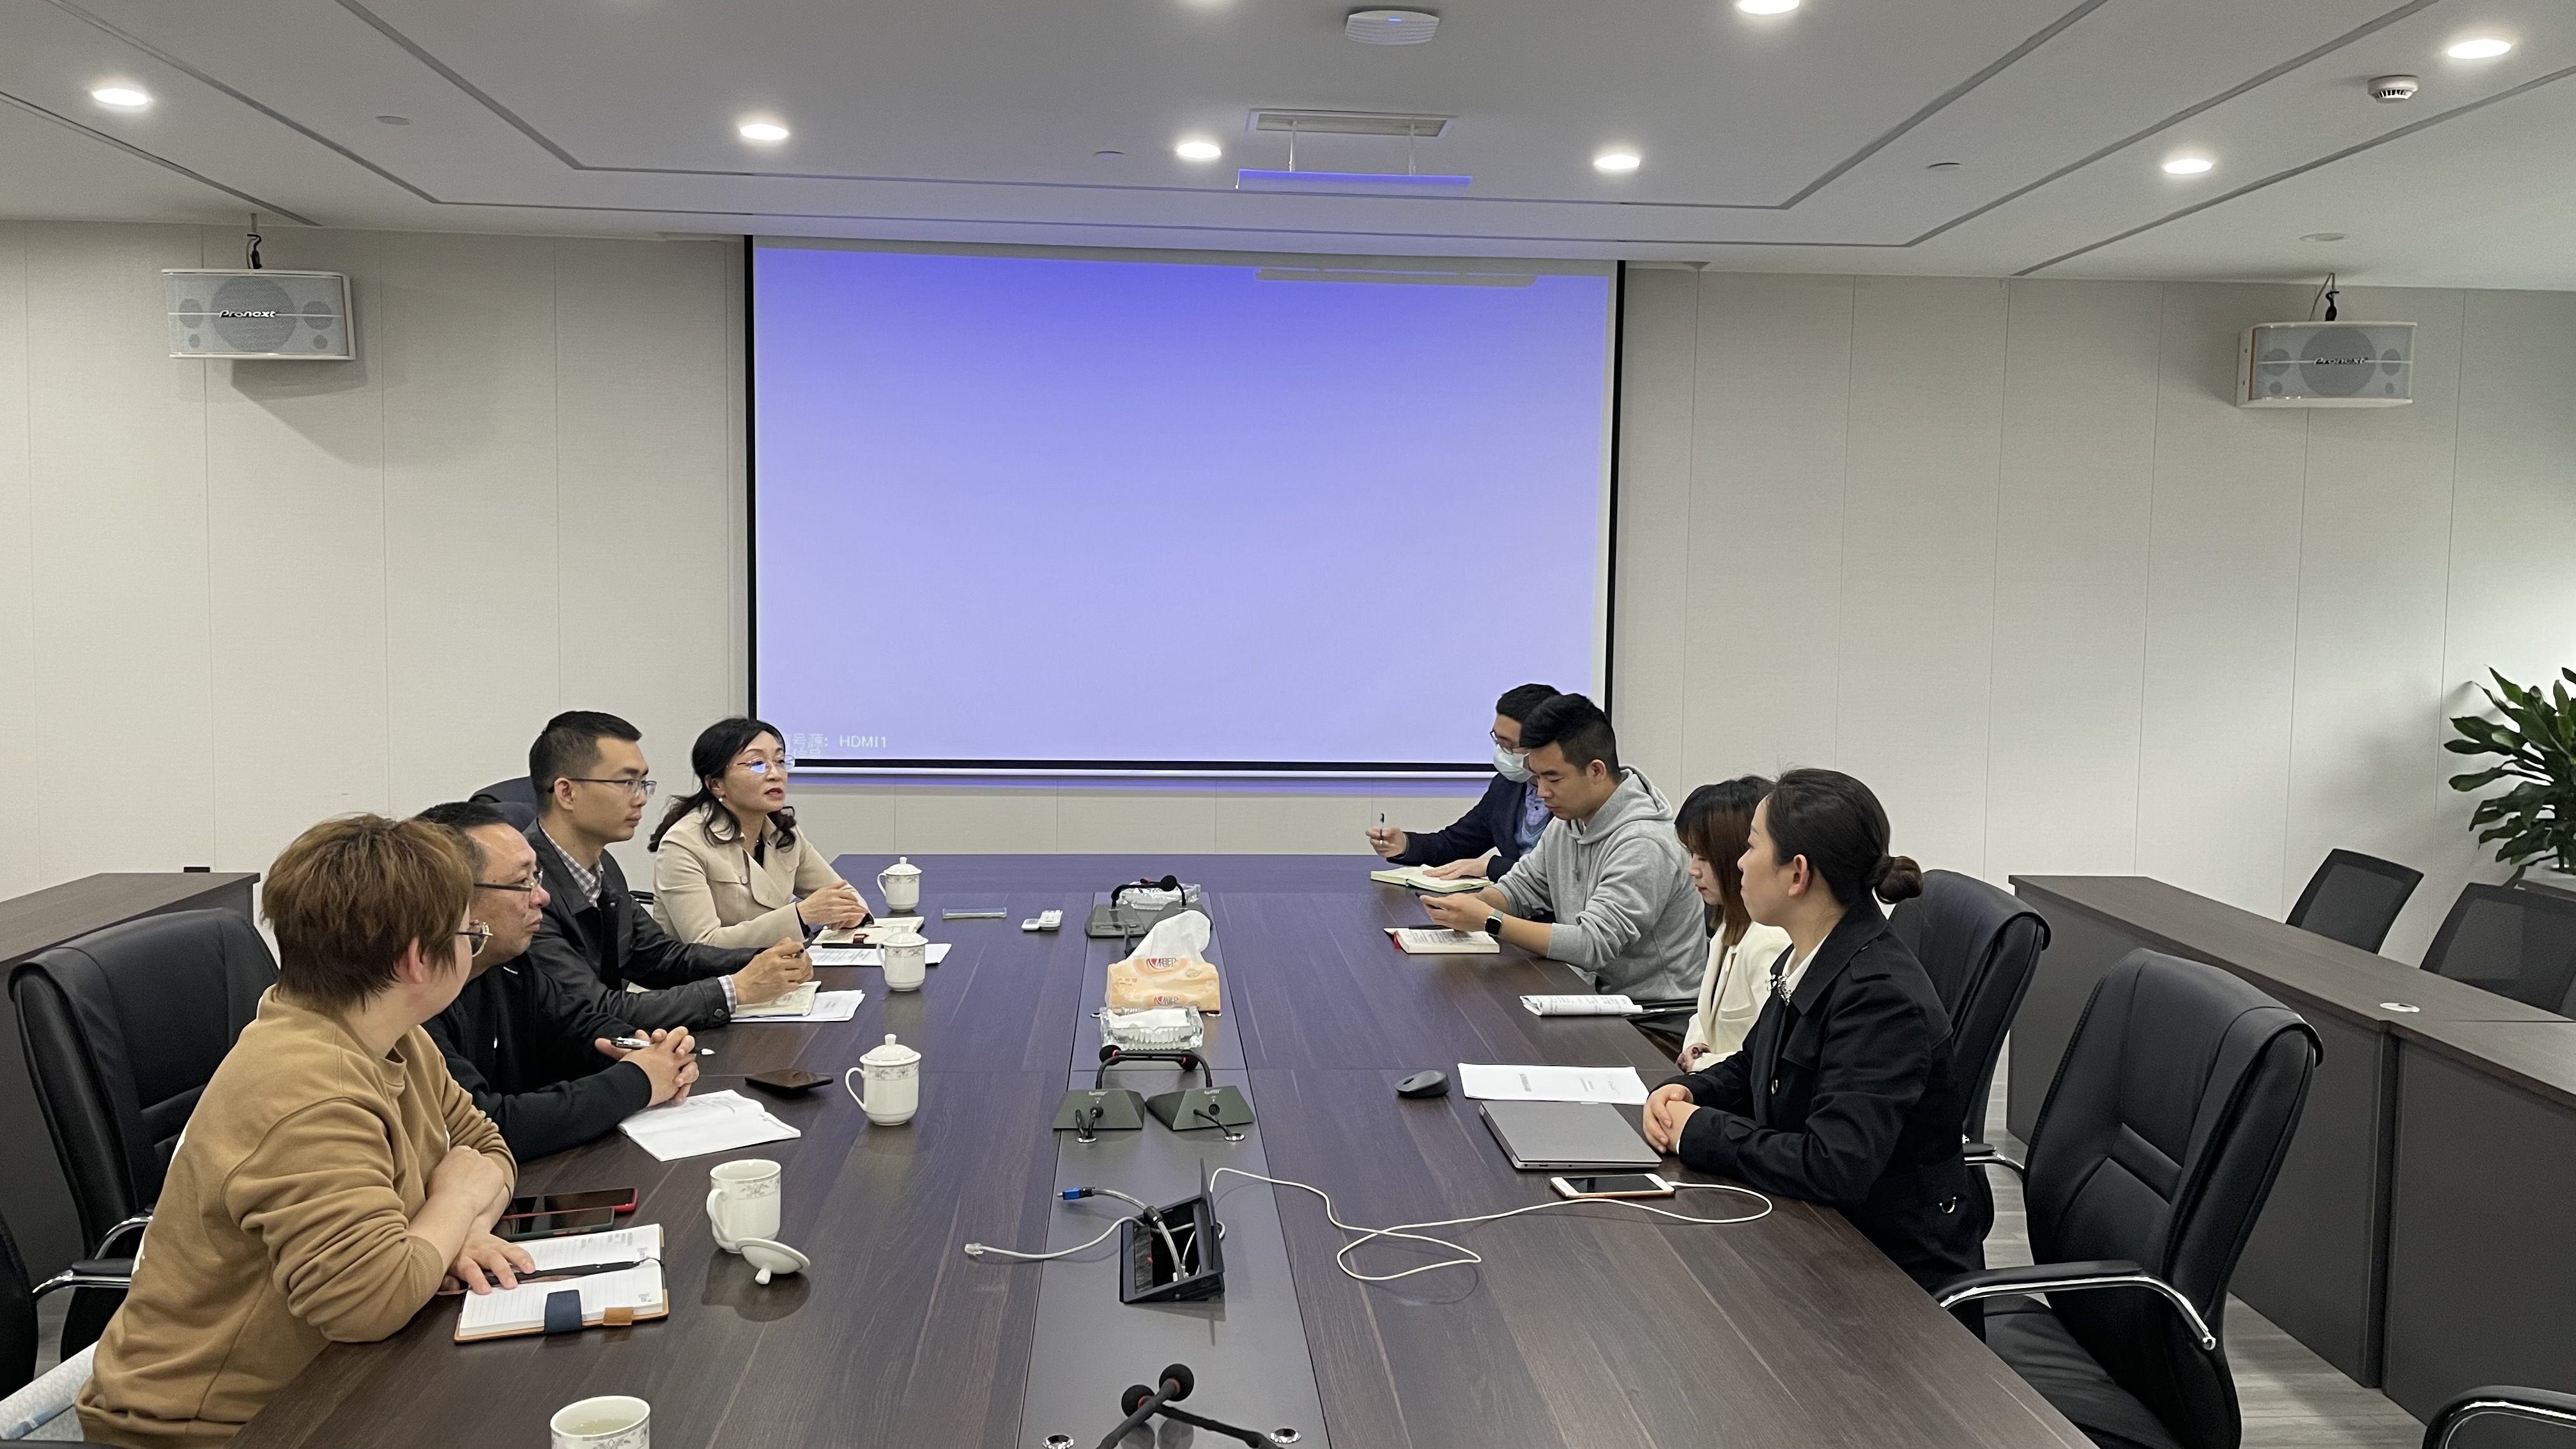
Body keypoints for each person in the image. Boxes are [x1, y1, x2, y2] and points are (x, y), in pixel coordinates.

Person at [78, 815, 532, 1448]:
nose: (474, 947)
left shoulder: (393, 1036)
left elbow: (488, 1150)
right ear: (415, 958)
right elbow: (368, 1303)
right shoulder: (308, 1088)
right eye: (469, 934)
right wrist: (453, 1205)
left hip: (333, 1375)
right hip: (210, 1428)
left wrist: (447, 1240)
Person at [1639, 768, 1986, 1292]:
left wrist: (1700, 1131)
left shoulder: (1880, 999)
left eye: (1752, 845)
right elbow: (1754, 1064)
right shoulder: (1808, 955)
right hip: (1822, 1236)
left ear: (1797, 874)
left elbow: (1832, 1164)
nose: (1739, 862)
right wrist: (1689, 1092)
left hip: (1891, 1278)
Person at [417, 801, 702, 1161]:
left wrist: (641, 1049)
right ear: (452, 897)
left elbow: (577, 1026)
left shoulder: (509, 965)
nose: (543, 897)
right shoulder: (414, 999)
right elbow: (486, 1125)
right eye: (521, 883)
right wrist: (639, 1081)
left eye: (536, 877)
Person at [521, 710, 813, 1030]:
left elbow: (658, 957)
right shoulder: (525, 891)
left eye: (643, 783)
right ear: (567, 793)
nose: (642, 798)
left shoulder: (603, 868)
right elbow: (595, 1009)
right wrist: (736, 990)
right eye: (627, 783)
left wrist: (761, 959)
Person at [1420, 694, 1703, 1002]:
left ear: (1596, 771)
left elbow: (1593, 944)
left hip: (1648, 1014)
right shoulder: (1568, 822)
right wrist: (1474, 904)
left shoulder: (1645, 843)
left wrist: (1490, 919)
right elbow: (1523, 888)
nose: (1542, 792)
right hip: (1583, 992)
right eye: (1538, 777)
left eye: (1553, 779)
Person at [648, 716, 870, 947]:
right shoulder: (683, 843)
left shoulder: (783, 832)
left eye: (780, 761)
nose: (776, 774)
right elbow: (703, 944)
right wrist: (800, 916)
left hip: (776, 963)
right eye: (757, 764)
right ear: (716, 784)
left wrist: (851, 913)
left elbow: (843, 895)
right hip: (709, 971)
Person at [1366, 683, 1559, 881]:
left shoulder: (1574, 795)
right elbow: (1455, 845)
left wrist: (1491, 867)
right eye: (1498, 741)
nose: (1501, 752)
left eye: (1509, 745)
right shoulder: (1506, 786)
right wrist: (1405, 845)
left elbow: (1563, 874)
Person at [1672, 778, 1794, 1070]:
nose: (1692, 870)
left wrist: (1705, 1063)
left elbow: (1771, 1054)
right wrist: (1695, 1046)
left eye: (1704, 857)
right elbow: (1706, 1016)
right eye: (1691, 854)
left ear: (1737, 858)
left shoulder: (1772, 940)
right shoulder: (1729, 924)